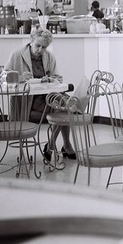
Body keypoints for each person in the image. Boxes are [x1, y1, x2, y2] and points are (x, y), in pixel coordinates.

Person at [4, 26, 76, 161]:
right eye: (37, 46)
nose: (40, 50)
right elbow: (4, 77)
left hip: (46, 98)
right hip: (27, 103)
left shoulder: (49, 57)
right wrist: (19, 78)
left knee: (64, 105)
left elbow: (58, 78)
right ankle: (63, 146)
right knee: (63, 107)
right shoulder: (17, 55)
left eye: (44, 48)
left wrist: (50, 80)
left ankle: (52, 144)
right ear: (31, 40)